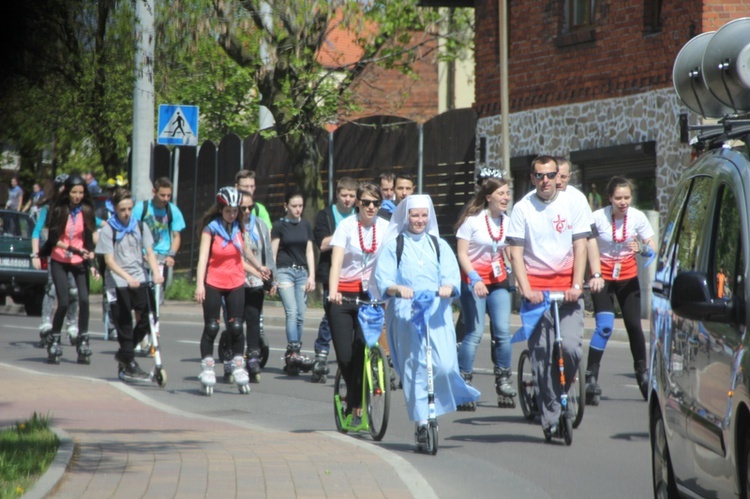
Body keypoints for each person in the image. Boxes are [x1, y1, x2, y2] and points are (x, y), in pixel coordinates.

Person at [373, 194, 479, 448]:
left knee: (442, 365)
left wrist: (448, 286)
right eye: (414, 215)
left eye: (423, 215)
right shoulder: (394, 246)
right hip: (406, 315)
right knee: (416, 369)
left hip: (436, 315)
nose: (419, 220)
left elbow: (452, 275)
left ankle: (435, 407)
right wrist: (397, 288)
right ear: (406, 216)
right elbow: (383, 279)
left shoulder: (439, 245)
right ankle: (422, 422)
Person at [507, 156, 591, 440]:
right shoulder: (522, 208)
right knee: (542, 355)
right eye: (539, 176)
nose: (545, 180)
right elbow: (516, 253)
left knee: (569, 348)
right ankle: (552, 416)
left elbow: (581, 247)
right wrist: (525, 287)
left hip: (568, 291)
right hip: (536, 293)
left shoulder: (574, 203)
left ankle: (558, 395)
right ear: (532, 179)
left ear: (558, 177)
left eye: (550, 175)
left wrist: (577, 284)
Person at [585, 176, 656, 403]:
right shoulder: (597, 218)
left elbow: (653, 245)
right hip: (602, 278)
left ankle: (643, 376)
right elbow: (584, 243)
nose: (623, 202)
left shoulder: (637, 217)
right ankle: (591, 377)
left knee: (634, 326)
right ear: (610, 198)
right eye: (618, 198)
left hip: (627, 277)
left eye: (627, 197)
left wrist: (643, 247)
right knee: (605, 327)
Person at [194, 187, 268, 394]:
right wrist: (200, 285)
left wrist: (258, 266)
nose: (233, 214)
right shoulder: (211, 229)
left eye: (236, 211)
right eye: (229, 211)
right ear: (220, 209)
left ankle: (238, 366)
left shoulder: (239, 227)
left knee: (236, 326)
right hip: (214, 282)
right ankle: (207, 367)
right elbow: (202, 260)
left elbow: (244, 251)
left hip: (236, 281)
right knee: (212, 327)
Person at [327, 182, 389, 427]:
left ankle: (357, 409)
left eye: (376, 203)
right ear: (358, 203)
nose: (371, 207)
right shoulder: (346, 226)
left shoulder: (386, 227)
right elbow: (336, 261)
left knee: (362, 350)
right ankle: (354, 400)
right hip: (343, 295)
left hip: (371, 297)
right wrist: (333, 291)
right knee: (345, 355)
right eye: (366, 202)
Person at [454, 177, 516, 410]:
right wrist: (475, 279)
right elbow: (462, 254)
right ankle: (464, 383)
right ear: (488, 197)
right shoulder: (472, 222)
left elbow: (510, 252)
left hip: (497, 281)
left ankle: (503, 380)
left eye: (507, 193)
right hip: (473, 282)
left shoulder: (508, 222)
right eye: (501, 193)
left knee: (502, 332)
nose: (505, 198)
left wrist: (519, 277)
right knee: (475, 332)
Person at [95, 188, 163, 381]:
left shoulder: (140, 226)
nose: (126, 213)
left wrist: (156, 274)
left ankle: (125, 353)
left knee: (149, 317)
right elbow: (109, 261)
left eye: (130, 208)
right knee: (124, 322)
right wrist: (127, 278)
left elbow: (149, 253)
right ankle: (129, 361)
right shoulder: (109, 230)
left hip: (139, 278)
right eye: (122, 209)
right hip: (117, 281)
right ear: (115, 209)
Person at [39, 174, 99, 365]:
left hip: (79, 261)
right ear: (67, 192)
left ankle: (83, 339)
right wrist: (73, 249)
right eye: (74, 192)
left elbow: (89, 241)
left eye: (81, 192)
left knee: (84, 300)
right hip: (59, 260)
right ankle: (55, 339)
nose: (77, 196)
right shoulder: (59, 209)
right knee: (63, 302)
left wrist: (93, 265)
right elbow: (53, 239)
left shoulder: (87, 211)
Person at [311, 177, 358, 382]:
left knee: (353, 315)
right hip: (332, 270)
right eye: (344, 195)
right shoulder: (326, 215)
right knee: (331, 312)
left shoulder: (360, 213)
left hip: (355, 273)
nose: (348, 200)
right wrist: (345, 232)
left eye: (352, 196)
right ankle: (321, 353)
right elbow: (322, 244)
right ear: (337, 194)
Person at [131, 177, 186, 348]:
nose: (165, 199)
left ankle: (154, 331)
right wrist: (141, 253)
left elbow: (176, 236)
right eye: (162, 195)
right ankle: (142, 331)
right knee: (141, 297)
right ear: (154, 192)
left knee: (155, 296)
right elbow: (132, 232)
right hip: (142, 256)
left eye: (168, 196)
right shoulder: (142, 208)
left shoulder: (173, 211)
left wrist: (171, 255)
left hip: (160, 257)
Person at [271, 191, 317, 376]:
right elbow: (273, 252)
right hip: (284, 271)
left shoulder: (305, 225)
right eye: (294, 206)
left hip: (302, 273)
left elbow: (309, 252)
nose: (298, 209)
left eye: (300, 206)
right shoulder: (279, 226)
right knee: (291, 311)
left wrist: (311, 276)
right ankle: (294, 349)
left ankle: (293, 354)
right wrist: (273, 277)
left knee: (300, 315)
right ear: (286, 206)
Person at [32, 174, 79, 347]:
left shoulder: (76, 208)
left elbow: (91, 223)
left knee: (73, 290)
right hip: (55, 255)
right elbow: (37, 231)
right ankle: (46, 323)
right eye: (63, 188)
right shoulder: (50, 208)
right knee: (52, 288)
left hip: (73, 256)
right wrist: (35, 254)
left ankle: (72, 325)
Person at [238, 190, 276, 382]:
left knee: (253, 320)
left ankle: (252, 359)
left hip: (255, 281)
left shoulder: (260, 225)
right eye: (243, 207)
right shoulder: (232, 225)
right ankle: (233, 358)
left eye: (250, 207)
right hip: (235, 280)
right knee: (235, 323)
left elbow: (268, 252)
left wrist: (272, 279)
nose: (247, 211)